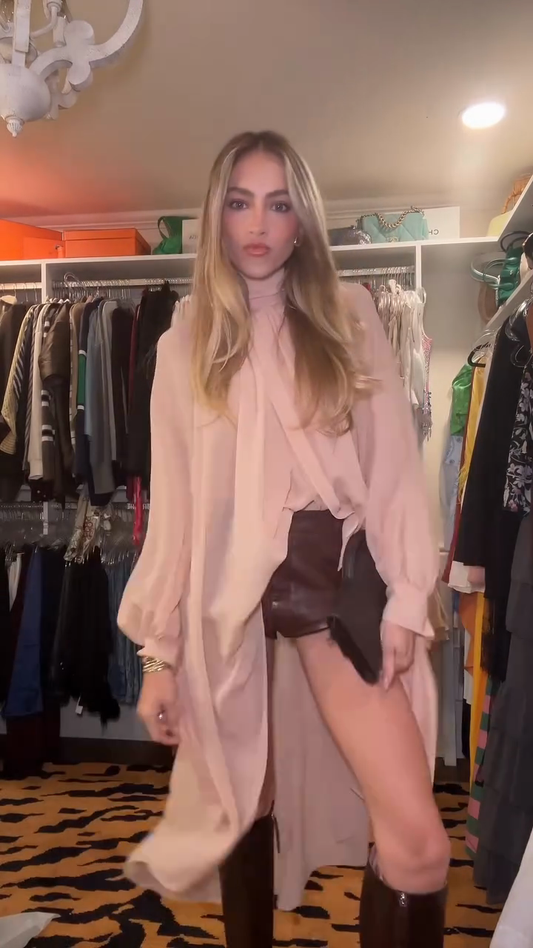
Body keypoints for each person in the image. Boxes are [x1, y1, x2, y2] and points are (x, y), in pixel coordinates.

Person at [118, 130, 450, 948]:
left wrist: (408, 598)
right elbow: (178, 510)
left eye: (277, 203)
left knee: (416, 844)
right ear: (216, 217)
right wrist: (159, 656)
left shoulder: (348, 314)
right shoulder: (184, 341)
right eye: (239, 203)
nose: (257, 224)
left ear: (302, 219)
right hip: (224, 601)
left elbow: (391, 470)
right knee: (244, 801)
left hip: (331, 587)